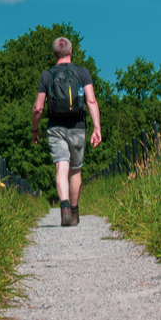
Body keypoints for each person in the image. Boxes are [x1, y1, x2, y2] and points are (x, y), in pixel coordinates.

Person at [31, 37, 102, 227]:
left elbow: (38, 108)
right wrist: (97, 128)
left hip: (55, 126)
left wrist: (34, 129)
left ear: (54, 54)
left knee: (61, 166)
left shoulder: (47, 75)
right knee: (75, 170)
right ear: (71, 52)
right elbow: (91, 101)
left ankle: (64, 208)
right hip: (78, 126)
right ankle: (75, 211)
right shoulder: (82, 72)